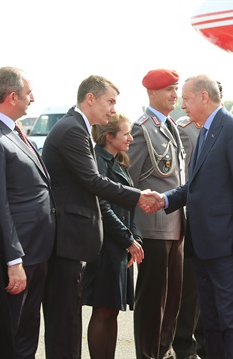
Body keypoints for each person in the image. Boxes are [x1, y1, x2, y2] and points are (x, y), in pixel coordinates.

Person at [41, 75, 159, 359]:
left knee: (69, 320)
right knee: (64, 321)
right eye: (110, 101)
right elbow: (92, 181)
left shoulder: (76, 127)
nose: (112, 109)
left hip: (74, 238)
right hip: (67, 237)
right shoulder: (72, 129)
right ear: (90, 99)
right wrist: (137, 196)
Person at [162, 74, 233, 358]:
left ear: (204, 97)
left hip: (231, 246)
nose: (182, 105)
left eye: (186, 98)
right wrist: (163, 199)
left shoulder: (232, 128)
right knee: (212, 322)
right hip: (207, 245)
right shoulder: (206, 130)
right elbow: (196, 185)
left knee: (232, 322)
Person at [0, 66, 55, 359]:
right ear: (11, 96)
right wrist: (13, 258)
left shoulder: (13, 130)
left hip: (37, 248)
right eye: (28, 94)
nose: (33, 99)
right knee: (14, 332)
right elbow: (0, 202)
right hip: (21, 252)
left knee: (29, 328)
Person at [126, 69, 185, 359]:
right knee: (152, 299)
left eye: (176, 89)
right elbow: (130, 181)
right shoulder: (142, 128)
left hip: (176, 225)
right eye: (169, 90)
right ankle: (148, 354)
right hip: (152, 228)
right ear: (151, 93)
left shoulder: (171, 125)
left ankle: (164, 350)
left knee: (173, 297)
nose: (175, 95)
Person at [83, 112, 145, 359]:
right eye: (126, 133)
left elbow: (129, 205)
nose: (131, 138)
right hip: (105, 245)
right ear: (109, 136)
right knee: (103, 310)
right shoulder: (98, 162)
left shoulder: (116, 161)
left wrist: (135, 238)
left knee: (112, 310)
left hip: (118, 246)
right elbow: (103, 207)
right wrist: (128, 239)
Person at [173, 115, 207, 358]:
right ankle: (184, 344)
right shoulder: (186, 130)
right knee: (189, 291)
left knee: (206, 290)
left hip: (213, 221)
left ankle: (205, 343)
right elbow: (183, 177)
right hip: (191, 217)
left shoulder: (222, 129)